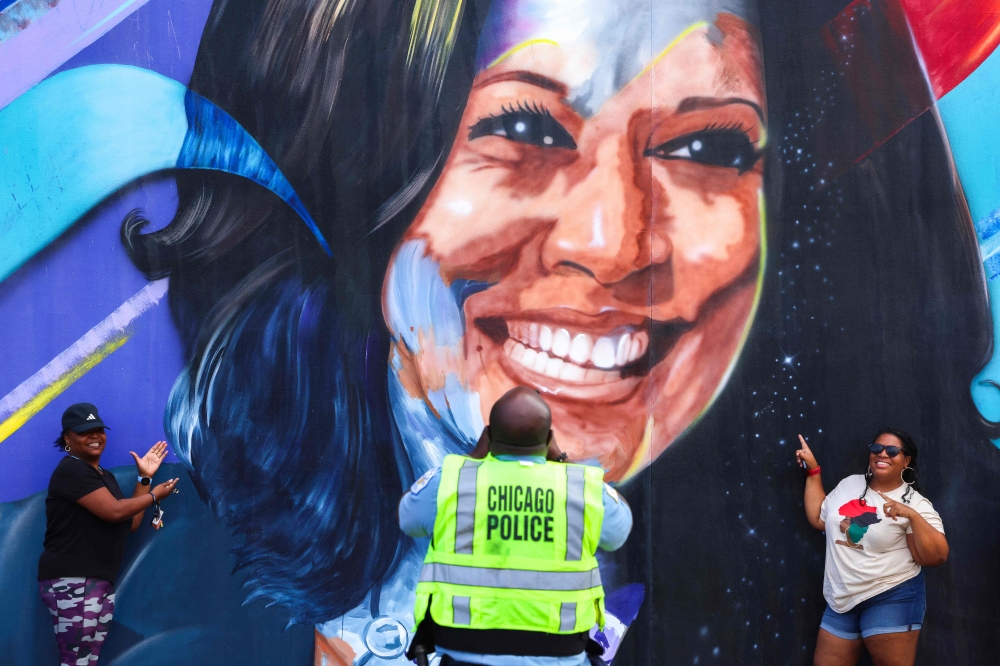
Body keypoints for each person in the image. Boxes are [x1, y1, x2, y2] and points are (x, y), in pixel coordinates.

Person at [399, 387, 632, 665]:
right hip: (558, 655)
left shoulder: (452, 481)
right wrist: (561, 460)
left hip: (467, 655)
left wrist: (471, 460)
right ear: (548, 441)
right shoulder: (581, 488)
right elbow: (618, 533)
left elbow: (409, 519)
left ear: (489, 436)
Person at [38, 403, 179, 666]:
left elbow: (131, 521)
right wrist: (154, 495)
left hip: (97, 581)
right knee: (76, 661)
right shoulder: (72, 469)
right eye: (84, 431)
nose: (94, 436)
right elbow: (114, 512)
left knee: (86, 661)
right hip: (74, 581)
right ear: (67, 438)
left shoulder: (104, 476)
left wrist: (144, 479)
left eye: (98, 430)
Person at [795, 429, 949, 666]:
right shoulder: (850, 484)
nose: (882, 454)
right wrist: (813, 471)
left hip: (891, 596)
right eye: (877, 448)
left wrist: (913, 516)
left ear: (906, 460)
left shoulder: (914, 502)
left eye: (892, 451)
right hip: (842, 599)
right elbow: (819, 518)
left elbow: (936, 557)